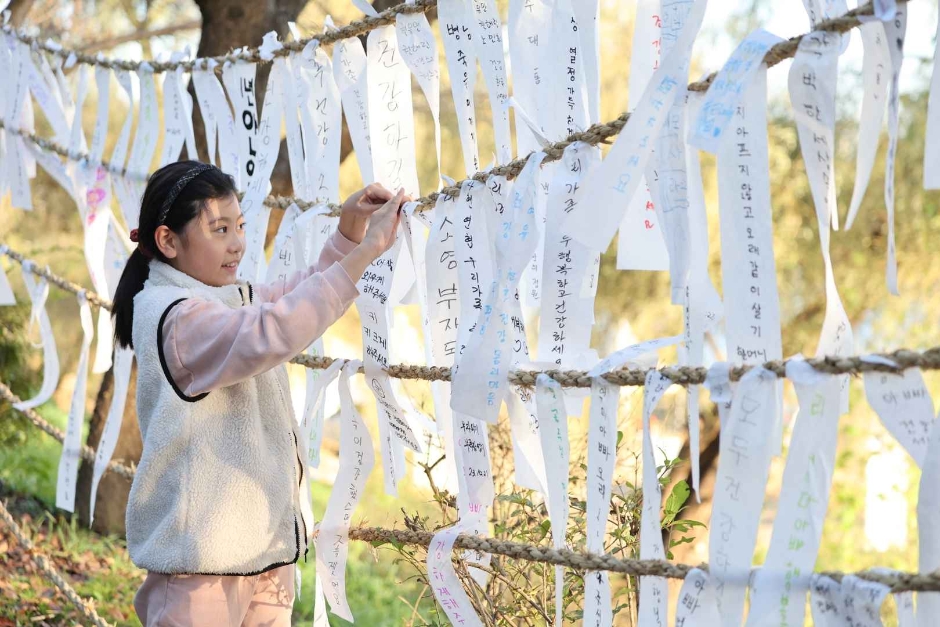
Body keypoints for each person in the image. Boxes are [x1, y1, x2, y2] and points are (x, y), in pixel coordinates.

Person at [111, 160, 404, 626]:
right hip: (200, 569)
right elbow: (273, 329)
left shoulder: (224, 296)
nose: (237, 243)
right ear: (168, 241)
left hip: (264, 556)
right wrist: (364, 254)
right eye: (219, 229)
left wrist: (348, 235)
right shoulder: (179, 319)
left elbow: (290, 296)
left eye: (240, 226)